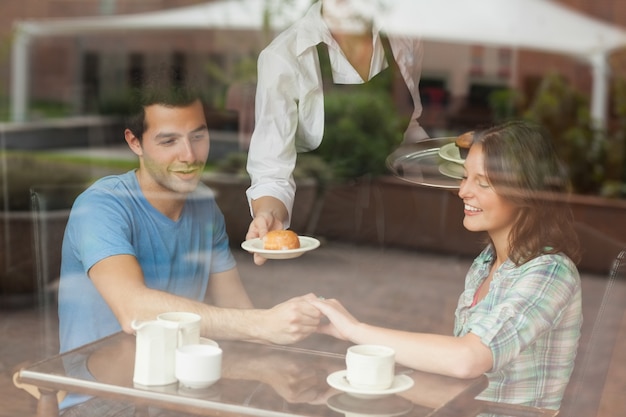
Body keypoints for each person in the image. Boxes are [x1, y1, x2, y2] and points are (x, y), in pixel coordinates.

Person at [57, 69, 322, 415]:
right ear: (134, 142)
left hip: (181, 391)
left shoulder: (203, 207)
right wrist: (262, 325)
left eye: (198, 136)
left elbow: (238, 311)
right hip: (104, 399)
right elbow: (134, 310)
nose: (190, 155)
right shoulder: (101, 206)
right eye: (169, 141)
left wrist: (302, 321)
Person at [310, 120, 583, 410]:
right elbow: (458, 377)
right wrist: (347, 379)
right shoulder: (486, 264)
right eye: (465, 177)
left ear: (525, 192)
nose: (463, 191)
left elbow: (467, 360)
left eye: (482, 182)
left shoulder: (550, 271)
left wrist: (355, 330)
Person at [245, 0, 429, 264]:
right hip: (329, 241)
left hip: (403, 223)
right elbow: (272, 171)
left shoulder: (405, 37)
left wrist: (443, 171)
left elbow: (409, 125)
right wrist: (268, 215)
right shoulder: (285, 57)